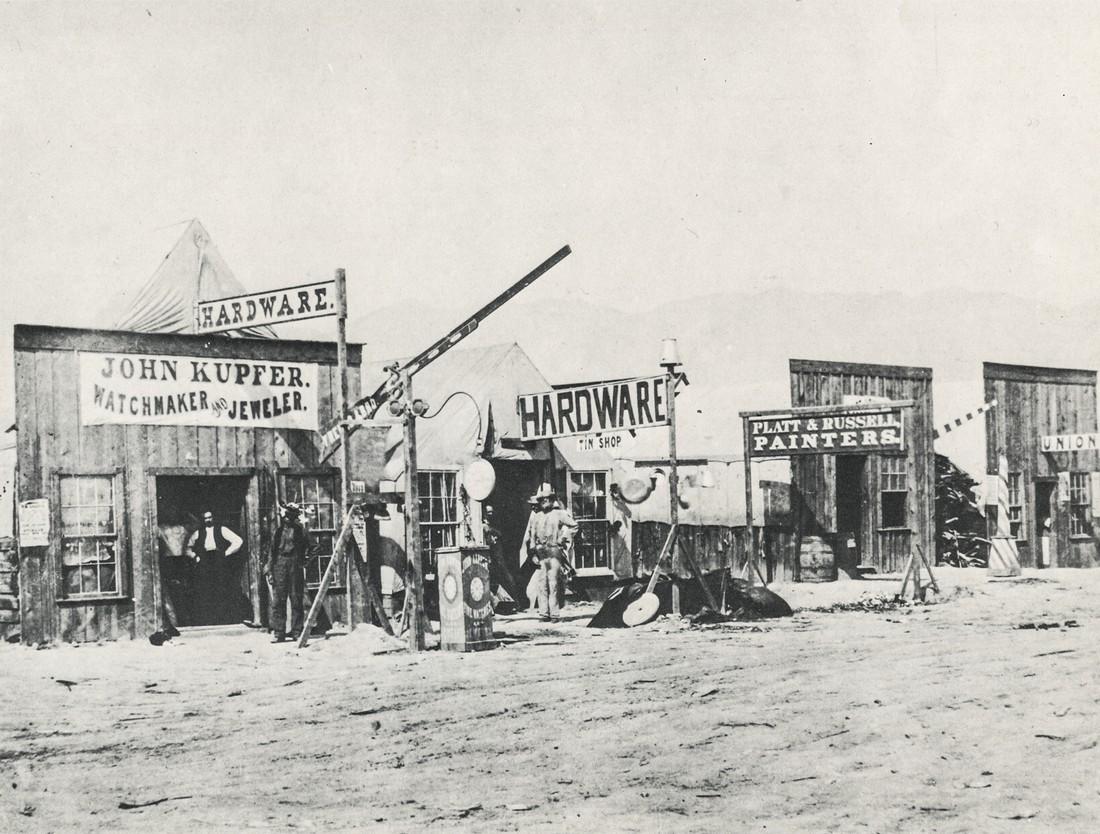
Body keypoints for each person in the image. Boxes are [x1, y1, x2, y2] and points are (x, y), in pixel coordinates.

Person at [520, 484, 578, 622]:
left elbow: (574, 526)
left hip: (554, 551)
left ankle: (554, 614)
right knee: (541, 583)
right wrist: (533, 553)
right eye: (542, 499)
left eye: (547, 499)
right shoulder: (536, 517)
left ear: (552, 500)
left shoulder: (559, 514)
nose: (544, 501)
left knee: (553, 583)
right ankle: (544, 613)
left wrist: (563, 537)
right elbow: (532, 535)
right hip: (541, 552)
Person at [265, 502, 312, 643]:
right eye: (285, 515)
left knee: (296, 599)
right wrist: (270, 569)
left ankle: (297, 632)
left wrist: (305, 561)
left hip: (295, 564)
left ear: (294, 517)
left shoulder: (301, 531)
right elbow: (272, 552)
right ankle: (279, 633)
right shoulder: (277, 532)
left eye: (290, 516)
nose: (287, 518)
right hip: (279, 565)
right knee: (278, 600)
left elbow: (315, 547)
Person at [186, 510, 244, 622]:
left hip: (218, 560)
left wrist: (226, 553)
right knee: (206, 589)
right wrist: (195, 557)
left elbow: (238, 541)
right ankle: (208, 618)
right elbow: (187, 548)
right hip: (204, 561)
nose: (208, 520)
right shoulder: (198, 533)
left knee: (221, 587)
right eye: (205, 518)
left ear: (213, 518)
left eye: (210, 517)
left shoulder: (222, 529)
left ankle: (223, 618)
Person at [157, 514, 195, 633]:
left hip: (182, 560)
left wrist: (186, 512)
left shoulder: (183, 528)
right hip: (169, 560)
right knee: (171, 592)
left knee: (184, 591)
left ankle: (186, 621)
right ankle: (175, 622)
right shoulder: (162, 528)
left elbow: (196, 523)